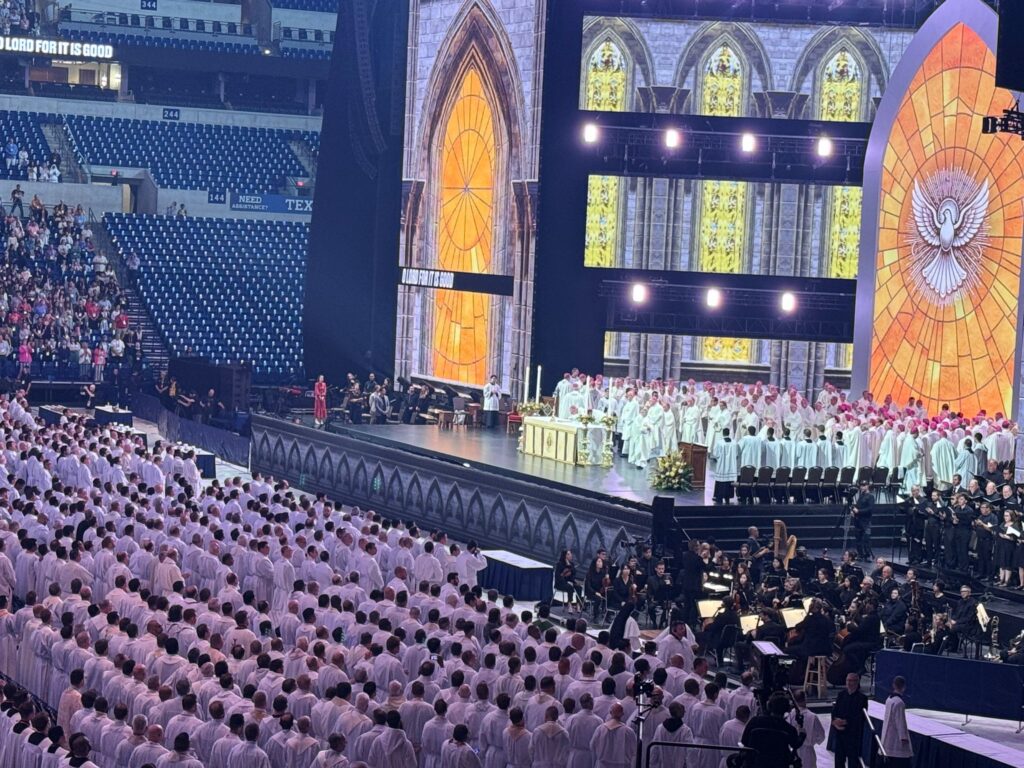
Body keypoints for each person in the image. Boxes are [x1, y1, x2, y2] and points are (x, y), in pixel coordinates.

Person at [740, 692, 805, 768]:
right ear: (787, 709)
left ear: (769, 706)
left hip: (754, 764)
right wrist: (802, 734)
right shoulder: (789, 729)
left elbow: (744, 741)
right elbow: (796, 744)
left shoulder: (754, 721)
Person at [829, 672, 868, 768]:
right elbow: (835, 711)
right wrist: (835, 721)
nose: (848, 683)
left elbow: (860, 717)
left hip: (852, 735)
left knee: (853, 760)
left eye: (851, 680)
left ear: (857, 682)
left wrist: (846, 722)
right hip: (840, 733)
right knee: (838, 760)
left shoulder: (862, 698)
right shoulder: (841, 695)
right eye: (847, 680)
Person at [880, 676, 912, 768]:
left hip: (888, 735)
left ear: (893, 685)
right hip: (896, 741)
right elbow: (900, 721)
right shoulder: (899, 703)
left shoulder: (889, 699)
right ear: (904, 687)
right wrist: (903, 737)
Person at [851, 479, 875, 559]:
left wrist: (859, 511)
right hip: (858, 520)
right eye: (861, 485)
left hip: (866, 521)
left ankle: (867, 554)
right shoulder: (861, 496)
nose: (862, 487)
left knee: (866, 539)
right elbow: (858, 506)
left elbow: (870, 509)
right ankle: (860, 554)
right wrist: (854, 512)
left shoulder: (870, 496)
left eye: (864, 485)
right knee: (858, 538)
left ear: (867, 486)